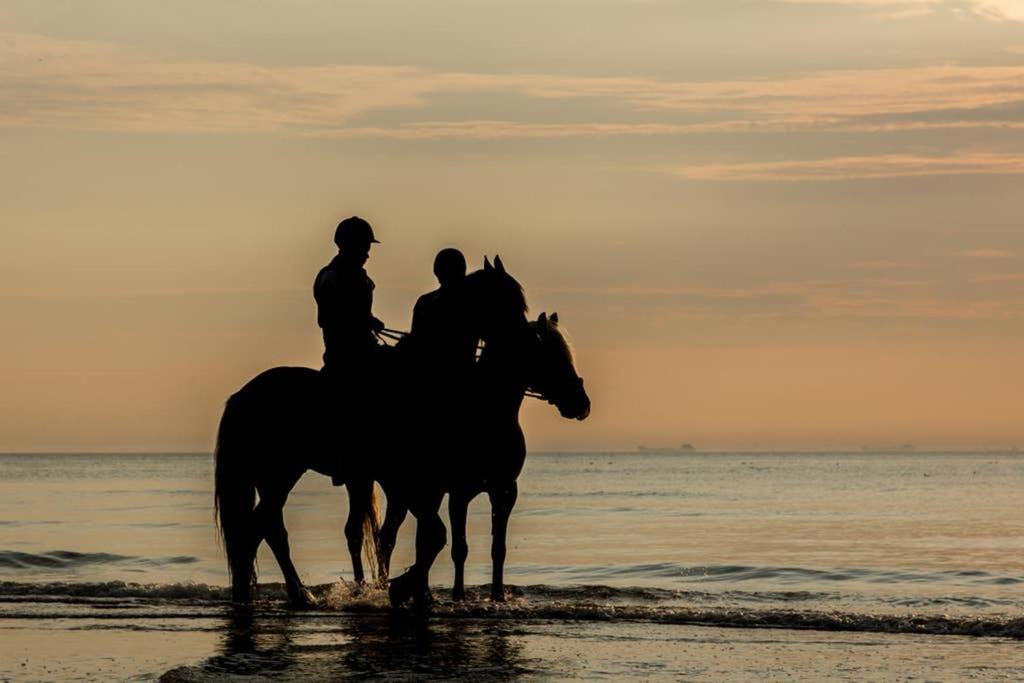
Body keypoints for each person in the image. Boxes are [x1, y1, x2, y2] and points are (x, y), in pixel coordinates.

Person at [313, 216, 385, 373]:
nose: (367, 255)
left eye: (367, 248)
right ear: (349, 246)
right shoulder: (331, 278)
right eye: (363, 248)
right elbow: (331, 317)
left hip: (367, 348)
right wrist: (368, 321)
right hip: (346, 355)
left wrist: (370, 320)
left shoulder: (361, 278)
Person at [408, 248, 477, 399]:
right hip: (462, 380)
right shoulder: (472, 303)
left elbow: (414, 343)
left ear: (437, 272)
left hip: (426, 379)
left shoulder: (424, 301)